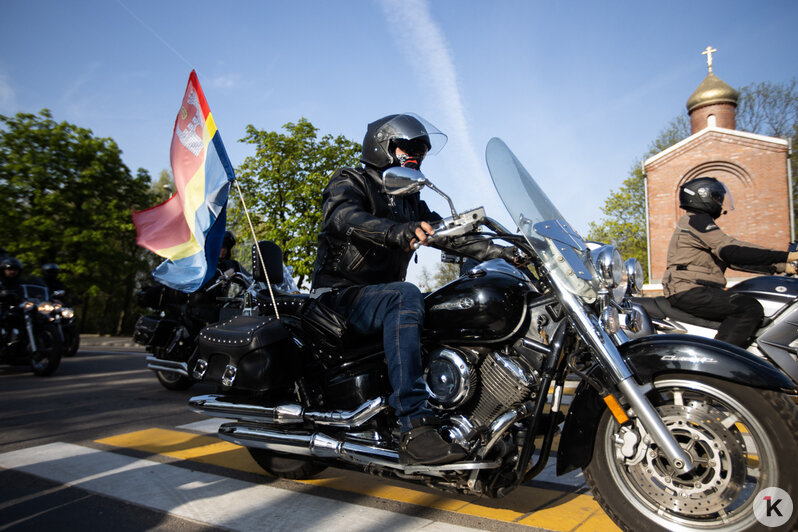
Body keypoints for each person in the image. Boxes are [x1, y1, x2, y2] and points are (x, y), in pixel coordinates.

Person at [310, 113, 519, 465]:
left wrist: (510, 251)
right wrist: (395, 231)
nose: (414, 156)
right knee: (406, 294)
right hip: (340, 295)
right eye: (406, 147)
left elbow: (448, 233)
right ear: (383, 146)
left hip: (379, 298)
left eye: (419, 151)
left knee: (447, 306)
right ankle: (414, 425)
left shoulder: (409, 199)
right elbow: (342, 217)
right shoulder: (352, 180)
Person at [662, 177, 798, 347]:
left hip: (696, 288)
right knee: (748, 307)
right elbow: (732, 252)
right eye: (716, 197)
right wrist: (787, 257)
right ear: (702, 196)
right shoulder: (697, 220)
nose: (720, 202)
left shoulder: (700, 224)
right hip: (689, 289)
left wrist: (783, 266)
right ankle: (721, 359)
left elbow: (735, 253)